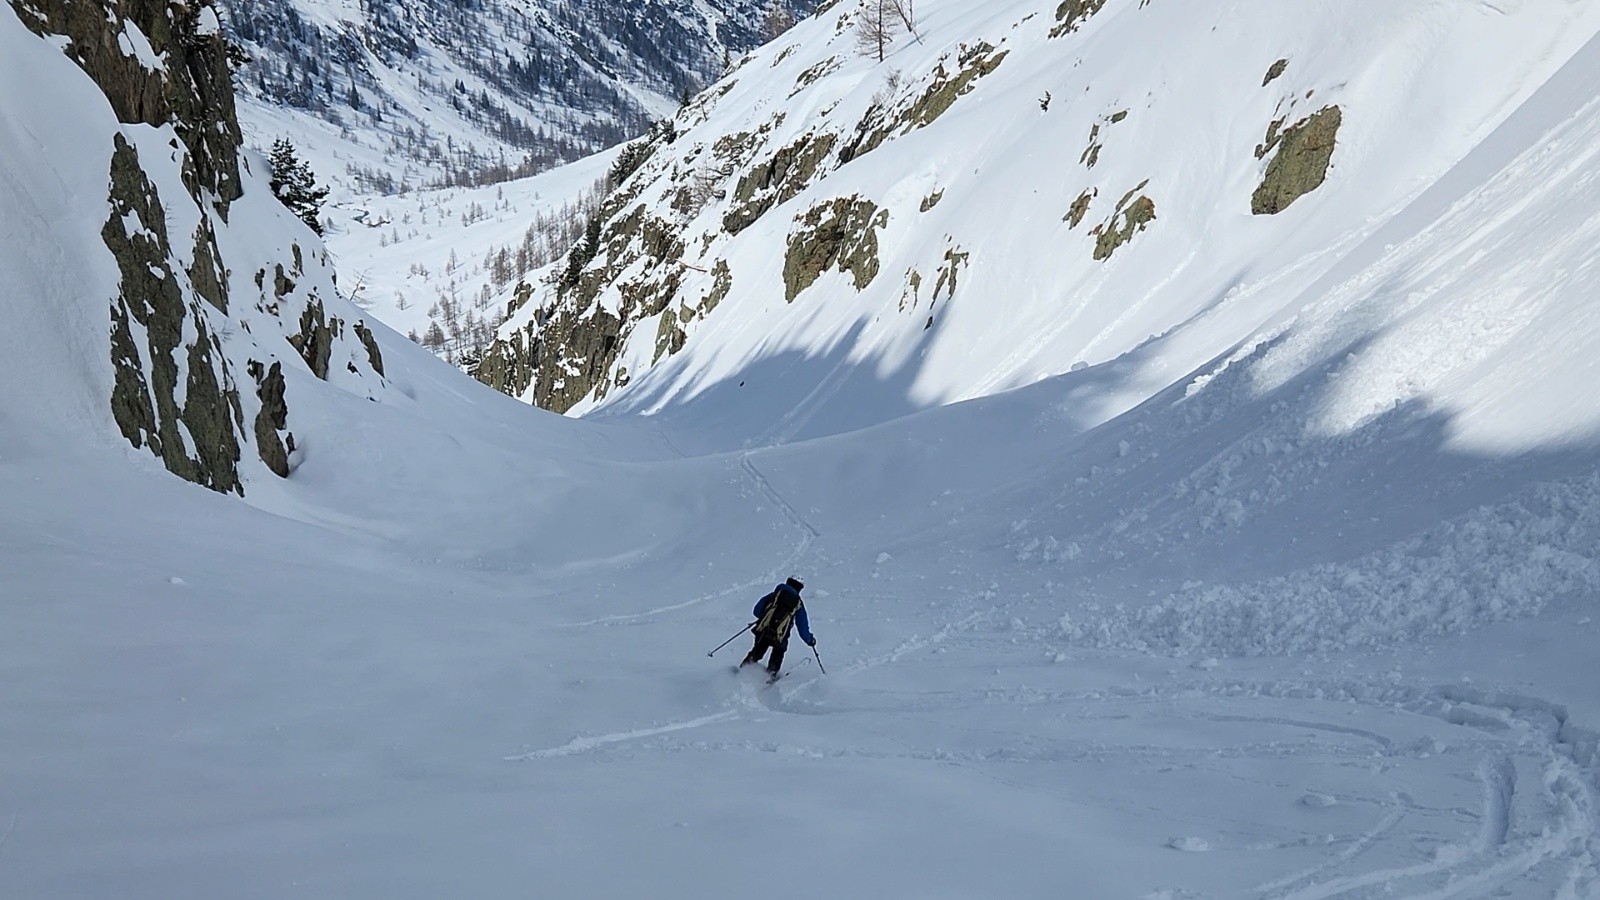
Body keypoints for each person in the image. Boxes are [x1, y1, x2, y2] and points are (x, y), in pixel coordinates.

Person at [740, 577, 815, 681]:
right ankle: (770, 677)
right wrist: (810, 640)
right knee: (777, 654)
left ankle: (743, 670)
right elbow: (802, 626)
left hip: (764, 630)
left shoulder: (775, 595)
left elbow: (756, 611)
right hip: (781, 636)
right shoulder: (798, 603)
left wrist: (766, 617)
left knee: (757, 651)